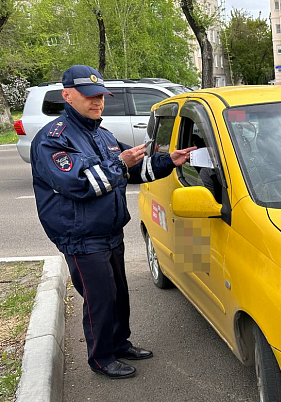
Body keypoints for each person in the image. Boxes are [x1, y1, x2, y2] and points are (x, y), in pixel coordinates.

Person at [30, 65, 195, 379]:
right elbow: (80, 184)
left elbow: (132, 172)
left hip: (109, 231)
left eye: (101, 96)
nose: (98, 102)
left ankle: (120, 344)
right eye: (89, 96)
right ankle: (101, 357)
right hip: (80, 236)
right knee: (100, 300)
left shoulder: (102, 134)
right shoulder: (53, 140)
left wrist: (167, 161)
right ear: (67, 95)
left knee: (118, 294)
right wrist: (120, 163)